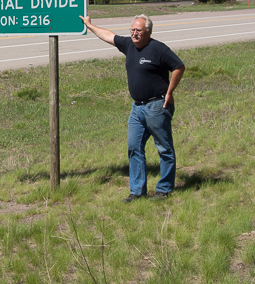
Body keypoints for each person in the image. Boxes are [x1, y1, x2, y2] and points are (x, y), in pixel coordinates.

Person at [79, 13, 185, 202]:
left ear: (148, 32)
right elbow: (109, 36)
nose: (134, 34)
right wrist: (89, 25)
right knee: (134, 147)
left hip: (157, 106)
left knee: (164, 148)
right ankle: (137, 192)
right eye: (132, 30)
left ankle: (164, 189)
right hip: (137, 108)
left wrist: (169, 93)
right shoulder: (129, 45)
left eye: (138, 30)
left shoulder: (158, 49)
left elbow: (178, 67)